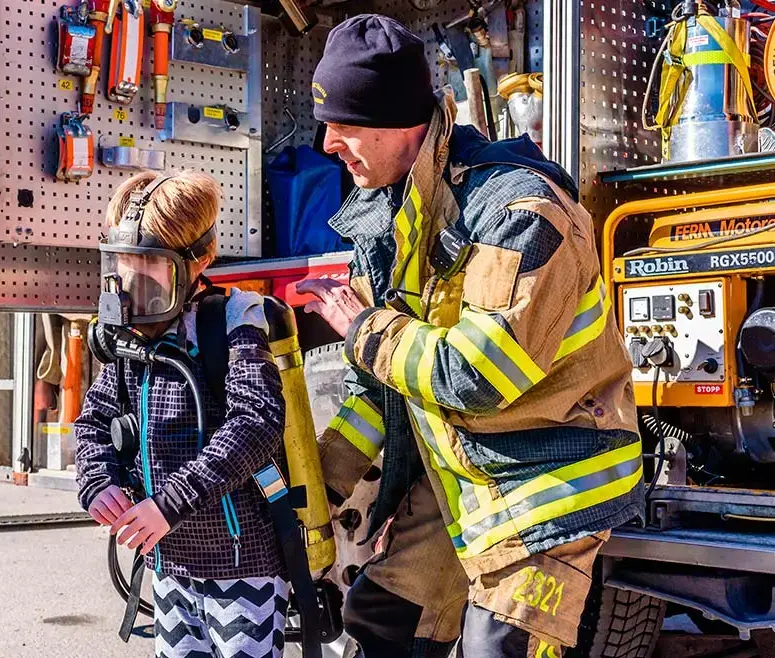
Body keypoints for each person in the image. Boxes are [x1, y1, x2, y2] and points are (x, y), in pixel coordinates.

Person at [298, 14, 644, 658]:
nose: (327, 144)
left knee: (498, 648)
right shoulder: (392, 212)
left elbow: (480, 376)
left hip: (548, 485)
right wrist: (316, 486)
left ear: (401, 122)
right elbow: (381, 393)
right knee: (382, 620)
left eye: (345, 125)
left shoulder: (519, 211)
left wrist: (367, 330)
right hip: (468, 482)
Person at [74, 170, 290, 658]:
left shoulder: (232, 322)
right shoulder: (129, 338)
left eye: (150, 265)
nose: (131, 282)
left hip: (242, 566)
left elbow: (256, 424)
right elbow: (93, 422)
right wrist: (97, 481)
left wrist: (169, 503)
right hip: (169, 567)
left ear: (200, 260)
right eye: (123, 263)